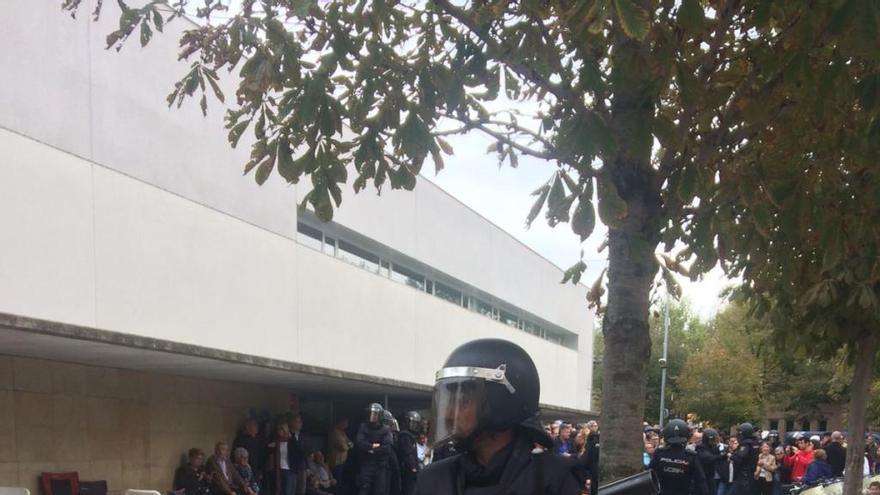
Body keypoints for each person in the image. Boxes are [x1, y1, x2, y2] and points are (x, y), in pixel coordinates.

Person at [414, 338, 582, 495]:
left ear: (502, 403)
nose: (450, 413)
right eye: (449, 402)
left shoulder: (549, 479)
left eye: (462, 401)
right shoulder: (434, 479)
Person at [650, 419, 707, 495]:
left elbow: (649, 474)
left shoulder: (659, 453)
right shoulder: (691, 456)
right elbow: (701, 481)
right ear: (686, 435)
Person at [355, 403, 393, 495]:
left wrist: (372, 450)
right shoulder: (363, 427)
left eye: (375, 415)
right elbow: (360, 443)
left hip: (380, 464)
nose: (373, 417)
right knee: (364, 488)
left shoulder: (385, 429)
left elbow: (387, 447)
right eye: (371, 414)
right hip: (366, 463)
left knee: (379, 490)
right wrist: (372, 446)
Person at [234, 420, 268, 490]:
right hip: (245, 471)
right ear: (248, 427)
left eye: (256, 426)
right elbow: (237, 456)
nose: (257, 428)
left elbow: (262, 456)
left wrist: (261, 470)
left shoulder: (258, 439)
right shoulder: (240, 439)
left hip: (257, 471)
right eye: (254, 426)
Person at [729, 423, 759, 495]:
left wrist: (732, 455)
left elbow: (740, 457)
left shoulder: (746, 444)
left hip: (744, 476)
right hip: (749, 475)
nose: (738, 435)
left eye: (740, 433)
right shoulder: (754, 442)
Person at [397, 411, 421, 495]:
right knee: (408, 490)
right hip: (407, 470)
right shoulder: (405, 436)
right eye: (411, 423)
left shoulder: (411, 436)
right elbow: (407, 453)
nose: (413, 426)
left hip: (411, 469)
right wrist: (413, 467)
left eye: (415, 423)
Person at [268, 423, 296, 495]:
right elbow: (269, 450)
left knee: (289, 490)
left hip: (290, 468)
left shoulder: (291, 441)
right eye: (278, 429)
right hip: (280, 468)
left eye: (281, 429)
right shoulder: (276, 441)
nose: (279, 431)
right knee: (282, 490)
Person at [695, 428, 721, 495]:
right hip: (702, 478)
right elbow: (709, 458)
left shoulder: (714, 448)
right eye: (712, 440)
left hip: (711, 477)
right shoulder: (700, 448)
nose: (714, 442)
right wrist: (722, 456)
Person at [328, 418, 353, 482]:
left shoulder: (342, 432)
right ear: (341, 422)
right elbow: (343, 448)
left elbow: (351, 443)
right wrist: (348, 445)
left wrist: (348, 444)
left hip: (342, 462)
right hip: (335, 463)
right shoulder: (335, 432)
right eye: (345, 423)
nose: (347, 425)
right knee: (336, 481)